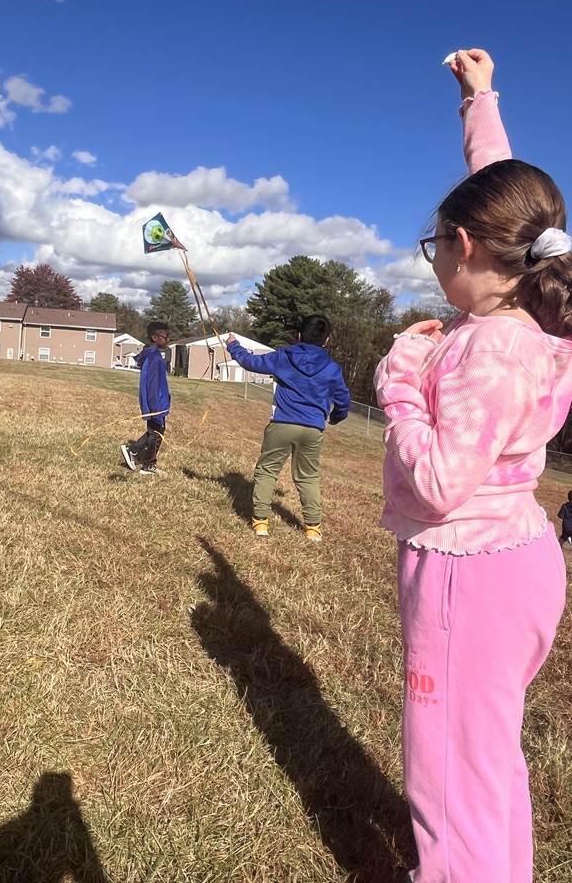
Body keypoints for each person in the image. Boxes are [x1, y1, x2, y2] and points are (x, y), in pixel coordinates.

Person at [374, 49, 572, 883]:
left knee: (449, 777)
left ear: (460, 246)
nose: (435, 264)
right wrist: (479, 103)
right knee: (486, 759)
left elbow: (437, 481)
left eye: (435, 249)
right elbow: (508, 197)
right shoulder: (541, 319)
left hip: (466, 577)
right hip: (518, 565)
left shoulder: (483, 353)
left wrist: (399, 383)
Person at [226, 315, 351, 540]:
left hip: (282, 424)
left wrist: (233, 345)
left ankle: (261, 523)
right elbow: (343, 400)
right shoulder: (333, 369)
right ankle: (313, 528)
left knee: (267, 471)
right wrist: (335, 418)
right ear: (327, 340)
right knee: (308, 477)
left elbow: (248, 361)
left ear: (299, 335)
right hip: (313, 429)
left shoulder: (284, 356)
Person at [120, 321, 170, 476]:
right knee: (157, 433)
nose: (167, 340)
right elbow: (153, 385)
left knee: (154, 431)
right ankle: (145, 462)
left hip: (157, 402)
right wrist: (156, 408)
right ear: (155, 337)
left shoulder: (151, 355)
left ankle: (135, 452)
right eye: (165, 336)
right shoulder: (155, 358)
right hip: (157, 403)